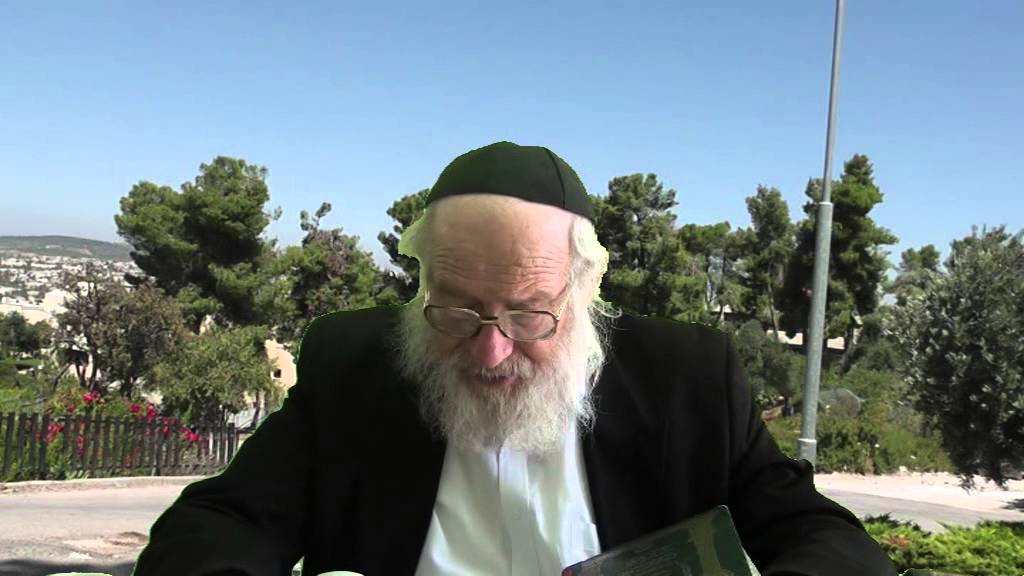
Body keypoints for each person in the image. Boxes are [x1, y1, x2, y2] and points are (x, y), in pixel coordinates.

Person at [133, 141, 897, 576]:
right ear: (422, 285)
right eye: (457, 311)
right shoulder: (353, 365)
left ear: (585, 292)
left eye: (530, 315)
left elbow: (831, 545)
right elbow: (216, 525)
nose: (492, 350)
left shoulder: (687, 380)